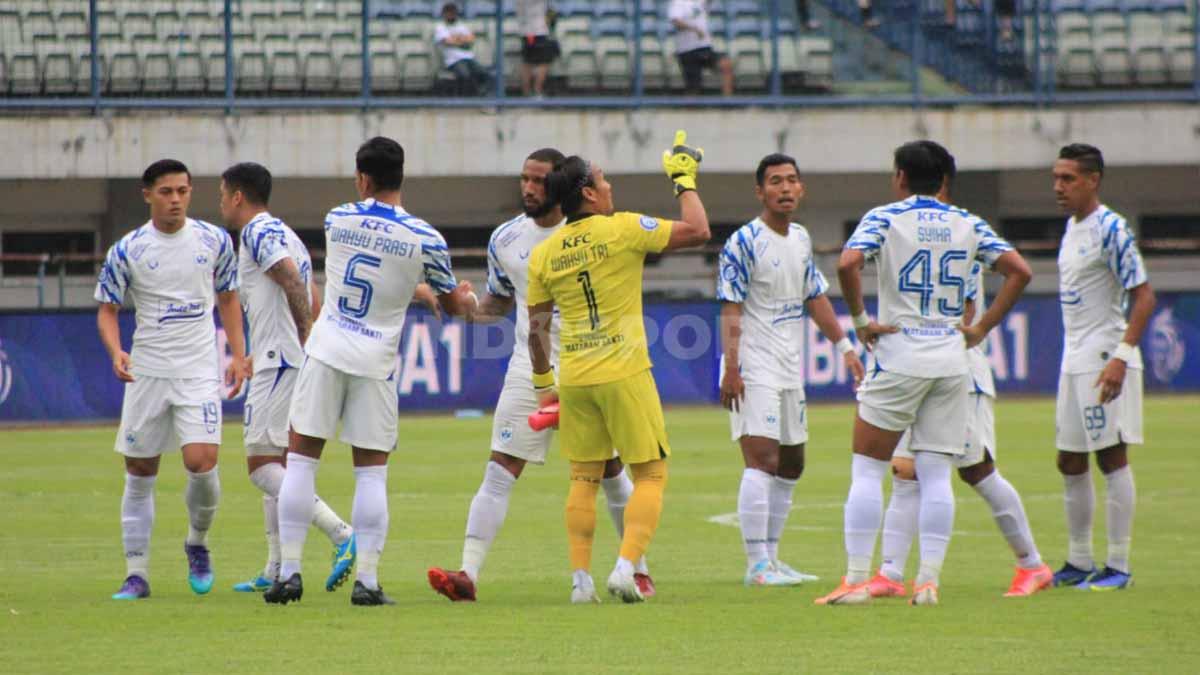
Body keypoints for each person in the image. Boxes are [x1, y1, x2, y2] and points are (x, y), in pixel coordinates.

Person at [427, 149, 654, 603]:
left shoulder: (593, 232)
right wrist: (461, 308)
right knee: (500, 467)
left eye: (539, 181)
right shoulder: (506, 238)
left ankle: (639, 571)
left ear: (561, 186)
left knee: (609, 470)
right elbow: (500, 302)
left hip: (590, 363)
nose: (529, 189)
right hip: (529, 368)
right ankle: (467, 574)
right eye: (524, 180)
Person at [815, 140, 1031, 606]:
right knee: (935, 475)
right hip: (952, 358)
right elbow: (1019, 271)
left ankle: (855, 580)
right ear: (945, 180)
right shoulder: (969, 222)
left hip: (899, 352)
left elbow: (848, 262)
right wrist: (981, 328)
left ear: (899, 177)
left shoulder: (886, 217)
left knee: (868, 470)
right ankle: (928, 580)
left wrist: (860, 322)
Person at [266, 137, 478, 607]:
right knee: (371, 475)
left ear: (363, 178)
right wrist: (462, 298)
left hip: (325, 349)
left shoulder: (336, 219)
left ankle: (289, 573)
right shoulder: (425, 238)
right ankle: (367, 582)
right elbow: (451, 303)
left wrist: (422, 290)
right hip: (375, 361)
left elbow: (370, 263)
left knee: (300, 462)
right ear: (402, 176)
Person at [526, 131, 711, 603]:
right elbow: (699, 230)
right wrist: (683, 180)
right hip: (624, 370)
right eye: (604, 181)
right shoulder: (624, 228)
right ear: (587, 192)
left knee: (583, 480)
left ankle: (580, 582)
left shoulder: (544, 253)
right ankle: (626, 568)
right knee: (650, 474)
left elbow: (536, 328)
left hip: (577, 375)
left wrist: (545, 385)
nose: (610, 188)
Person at [863, 142, 1052, 599]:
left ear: (902, 178)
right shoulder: (961, 228)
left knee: (975, 471)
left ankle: (1031, 564)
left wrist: (978, 328)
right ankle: (889, 573)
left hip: (954, 370)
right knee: (906, 469)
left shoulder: (946, 230)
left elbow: (967, 303)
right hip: (930, 364)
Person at [97, 159, 247, 600]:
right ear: (148, 195)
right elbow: (107, 308)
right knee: (140, 470)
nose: (176, 199)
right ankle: (137, 573)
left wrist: (238, 355)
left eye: (183, 190)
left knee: (202, 463)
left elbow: (229, 297)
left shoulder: (214, 240)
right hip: (148, 374)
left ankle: (197, 543)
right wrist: (115, 350)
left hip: (198, 372)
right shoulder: (127, 250)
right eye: (166, 192)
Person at [717, 153, 864, 587]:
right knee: (761, 460)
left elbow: (814, 296)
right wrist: (731, 366)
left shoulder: (800, 238)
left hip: (788, 365)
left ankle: (774, 558)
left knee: (792, 463)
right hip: (752, 363)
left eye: (792, 180)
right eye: (776, 181)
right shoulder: (744, 241)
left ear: (801, 189)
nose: (785, 188)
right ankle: (756, 565)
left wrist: (844, 346)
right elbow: (730, 305)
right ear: (760, 191)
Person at [217, 162, 359, 595]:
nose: (220, 203)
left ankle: (341, 533)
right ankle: (276, 566)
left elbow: (294, 282)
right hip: (279, 357)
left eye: (223, 194)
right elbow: (310, 290)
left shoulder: (259, 233)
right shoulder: (285, 232)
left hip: (281, 362)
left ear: (238, 195)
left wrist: (304, 335)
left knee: (262, 468)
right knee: (278, 462)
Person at [1050, 143, 1154, 591]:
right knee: (1069, 460)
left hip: (1104, 358)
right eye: (1056, 178)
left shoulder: (1111, 228)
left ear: (1093, 180)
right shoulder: (1072, 228)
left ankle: (1118, 565)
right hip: (1073, 359)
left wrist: (1121, 357)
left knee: (1111, 457)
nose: (1058, 187)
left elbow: (1144, 295)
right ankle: (1078, 560)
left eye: (1068, 178)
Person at [668, 0, 733, 96]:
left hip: (704, 47)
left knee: (726, 64)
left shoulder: (699, 2)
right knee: (693, 90)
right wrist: (694, 29)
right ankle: (689, 106)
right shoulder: (678, 3)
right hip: (688, 50)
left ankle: (727, 101)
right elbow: (676, 22)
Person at [434, 2, 491, 96]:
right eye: (449, 13)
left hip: (468, 57)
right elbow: (447, 41)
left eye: (453, 13)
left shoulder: (461, 26)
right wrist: (462, 40)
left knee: (483, 72)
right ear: (444, 14)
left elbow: (471, 38)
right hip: (453, 60)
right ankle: (464, 98)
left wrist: (456, 40)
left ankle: (481, 96)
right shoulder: (440, 27)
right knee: (465, 74)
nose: (452, 15)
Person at [516, 0, 558, 98]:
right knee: (544, 61)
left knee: (528, 62)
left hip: (526, 32)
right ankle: (536, 90)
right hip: (538, 32)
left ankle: (527, 92)